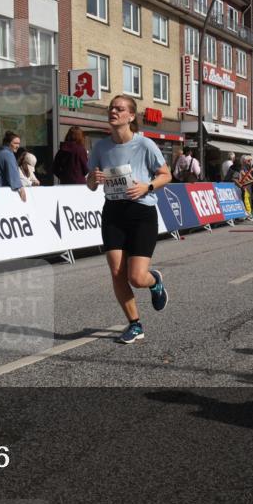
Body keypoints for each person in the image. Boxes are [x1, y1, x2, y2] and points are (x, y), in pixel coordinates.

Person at [87, 96, 172, 345]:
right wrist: (94, 177)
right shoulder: (100, 147)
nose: (113, 111)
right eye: (111, 108)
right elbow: (91, 184)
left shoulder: (145, 145)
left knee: (136, 277)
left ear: (131, 116)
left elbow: (167, 174)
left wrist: (147, 186)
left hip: (141, 212)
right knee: (116, 272)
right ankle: (135, 325)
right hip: (113, 211)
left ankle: (154, 281)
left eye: (119, 109)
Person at [0, 130, 28, 202]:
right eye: (15, 143)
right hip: (3, 193)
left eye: (19, 143)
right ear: (8, 143)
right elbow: (13, 175)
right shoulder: (8, 154)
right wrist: (21, 188)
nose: (18, 146)